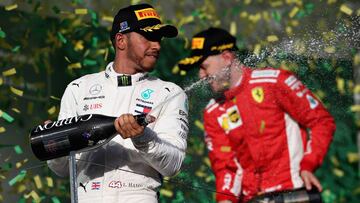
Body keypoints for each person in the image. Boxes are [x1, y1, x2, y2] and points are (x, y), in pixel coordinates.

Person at [47, 3, 189, 203]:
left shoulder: (170, 93)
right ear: (121, 40)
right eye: (148, 36)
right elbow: (61, 169)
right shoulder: (79, 88)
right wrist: (55, 142)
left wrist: (143, 137)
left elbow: (173, 165)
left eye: (159, 39)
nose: (156, 45)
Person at [178, 27, 335, 202]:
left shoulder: (274, 82)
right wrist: (226, 198)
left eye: (203, 66)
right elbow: (227, 167)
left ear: (227, 57)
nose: (201, 75)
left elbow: (321, 121)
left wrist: (308, 165)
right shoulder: (213, 112)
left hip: (294, 191)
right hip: (254, 198)